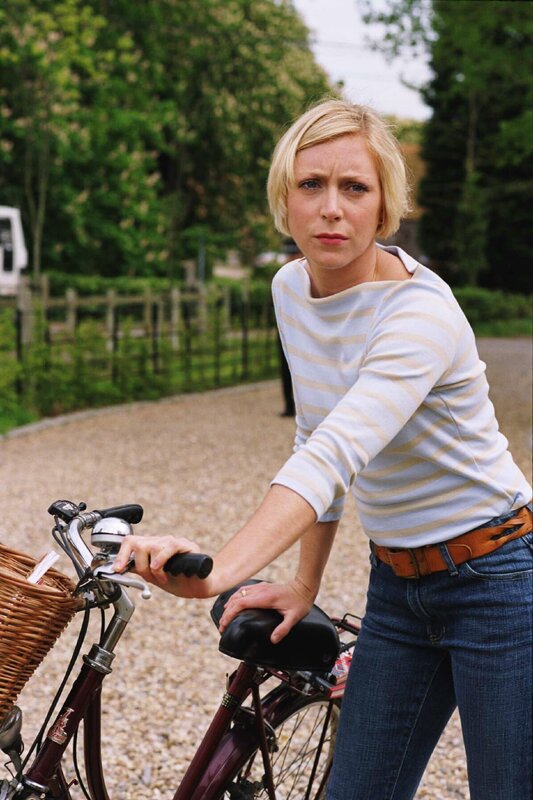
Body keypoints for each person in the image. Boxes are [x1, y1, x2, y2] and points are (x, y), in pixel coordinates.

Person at [115, 99, 532, 800]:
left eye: (354, 187)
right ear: (284, 199)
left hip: (496, 579)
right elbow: (314, 431)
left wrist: (218, 572)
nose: (331, 208)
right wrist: (303, 583)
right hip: (396, 585)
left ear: (383, 206)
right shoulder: (290, 288)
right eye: (311, 184)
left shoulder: (419, 316)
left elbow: (335, 453)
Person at [277, 237, 301, 416]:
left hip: (302, 327)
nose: (290, 257)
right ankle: (289, 405)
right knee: (285, 367)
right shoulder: (284, 275)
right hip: (286, 326)